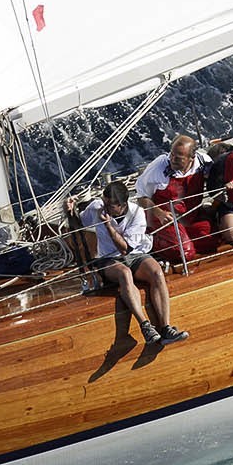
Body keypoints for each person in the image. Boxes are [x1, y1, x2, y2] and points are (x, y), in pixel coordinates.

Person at [80, 181, 187, 345]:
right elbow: (80, 223)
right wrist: (70, 212)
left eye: (110, 205)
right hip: (108, 259)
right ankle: (145, 326)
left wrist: (108, 226)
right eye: (105, 202)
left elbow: (125, 249)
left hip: (134, 254)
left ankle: (165, 327)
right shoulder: (97, 207)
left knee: (157, 272)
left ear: (122, 205)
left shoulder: (137, 213)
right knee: (124, 273)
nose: (106, 207)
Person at [136, 134, 217, 262]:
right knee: (185, 253)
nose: (172, 159)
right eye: (171, 154)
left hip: (190, 215)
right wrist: (160, 214)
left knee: (212, 242)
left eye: (178, 158)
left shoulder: (203, 162)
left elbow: (215, 181)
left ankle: (180, 238)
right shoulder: (159, 168)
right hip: (164, 219)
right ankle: (152, 240)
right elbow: (141, 198)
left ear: (192, 158)